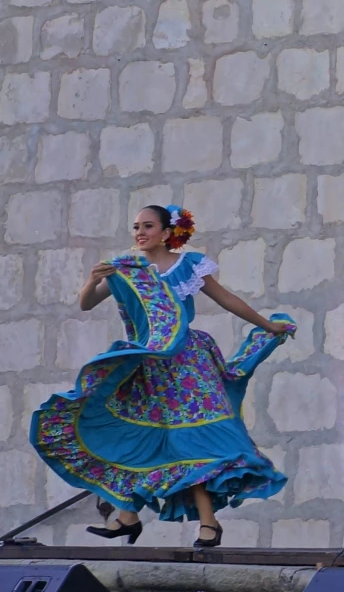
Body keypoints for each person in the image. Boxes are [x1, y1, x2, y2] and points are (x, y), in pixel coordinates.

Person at [37, 206, 295, 550]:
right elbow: (86, 304)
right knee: (153, 441)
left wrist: (267, 325)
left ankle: (199, 523)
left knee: (194, 442)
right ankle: (135, 516)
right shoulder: (126, 271)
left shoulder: (188, 266)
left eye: (147, 226)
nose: (139, 233)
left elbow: (227, 300)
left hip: (187, 363)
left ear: (166, 232)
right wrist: (92, 281)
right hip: (150, 367)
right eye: (136, 227)